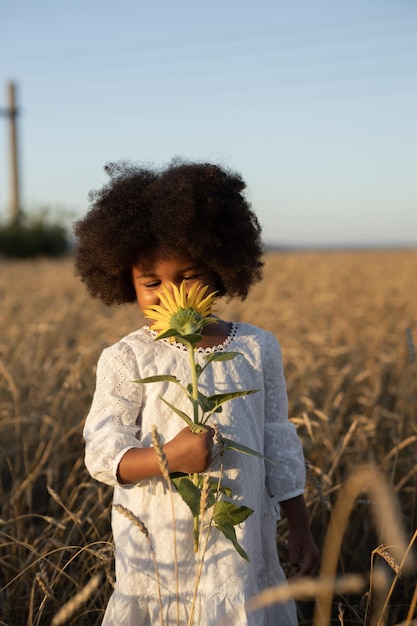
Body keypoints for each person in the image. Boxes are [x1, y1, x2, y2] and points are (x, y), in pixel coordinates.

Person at [74, 159, 319, 626]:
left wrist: (300, 525)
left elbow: (277, 439)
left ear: (220, 267)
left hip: (242, 543)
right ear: (125, 282)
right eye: (151, 283)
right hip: (161, 550)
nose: (172, 295)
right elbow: (103, 453)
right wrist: (169, 459)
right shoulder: (126, 359)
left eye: (188, 276)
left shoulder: (255, 347)